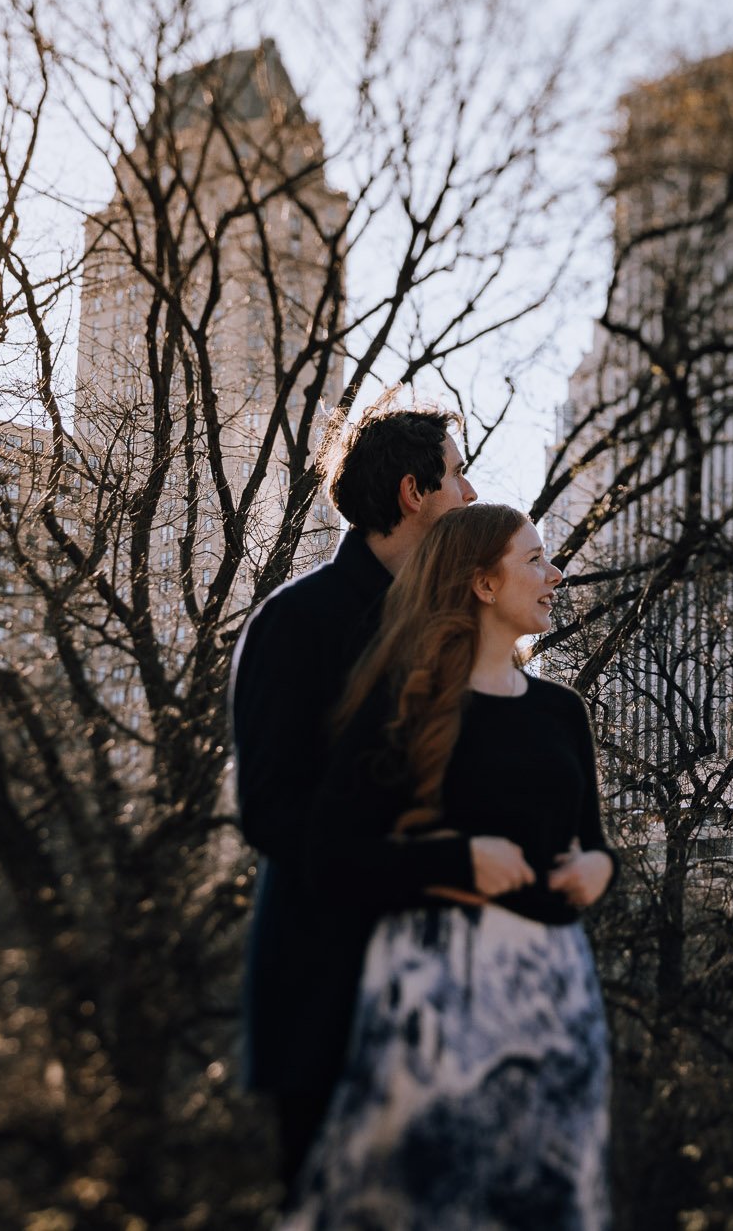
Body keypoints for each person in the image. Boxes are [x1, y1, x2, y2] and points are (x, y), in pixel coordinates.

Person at [283, 503, 615, 1230]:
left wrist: (598, 870)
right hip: (434, 1000)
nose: (555, 573)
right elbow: (329, 857)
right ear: (483, 584)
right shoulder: (400, 700)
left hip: (555, 995)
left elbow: (592, 841)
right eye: (534, 559)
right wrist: (459, 858)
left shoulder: (563, 711)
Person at [231, 407, 477, 1203]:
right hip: (328, 1007)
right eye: (457, 472)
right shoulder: (297, 623)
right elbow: (272, 816)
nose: (471, 493)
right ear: (413, 492)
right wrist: (429, 866)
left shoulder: (446, 634)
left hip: (442, 1010)